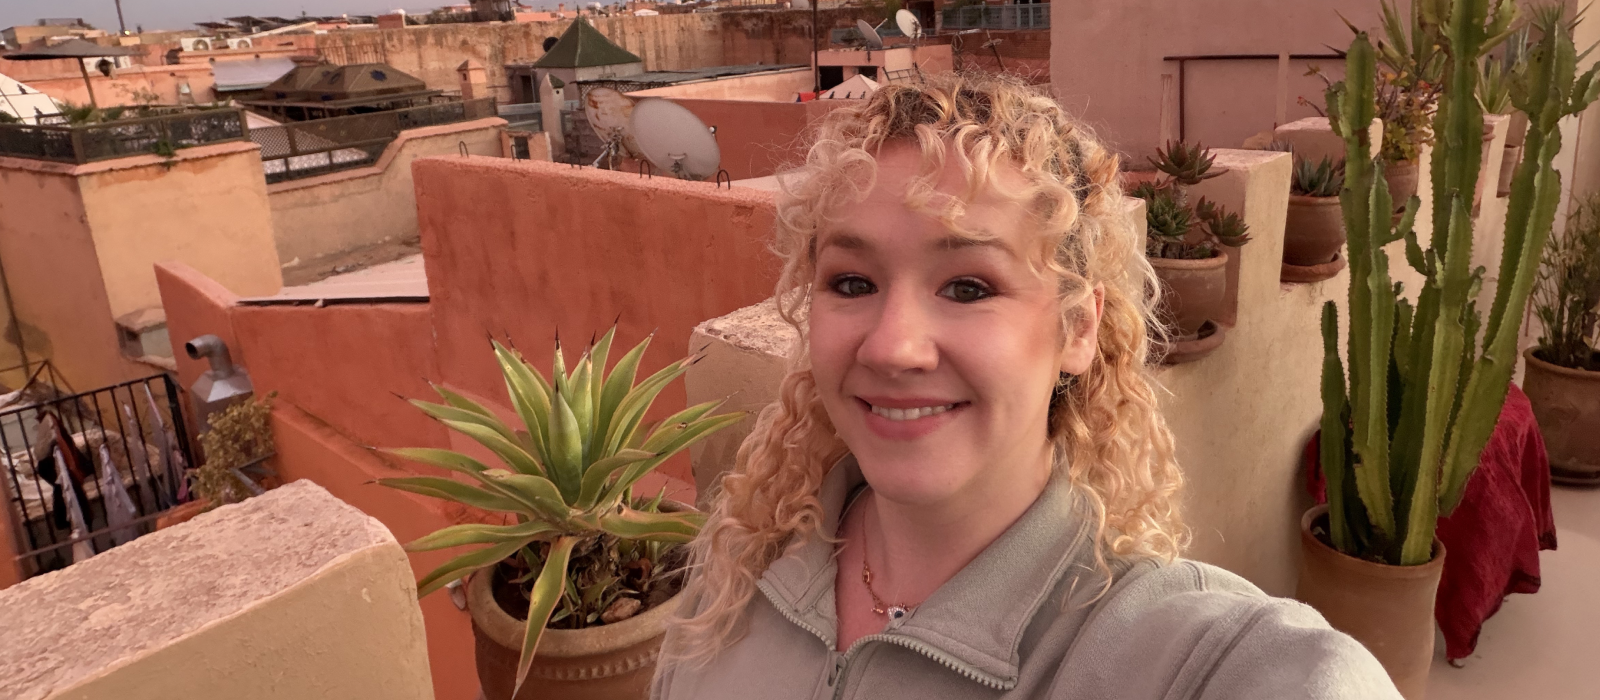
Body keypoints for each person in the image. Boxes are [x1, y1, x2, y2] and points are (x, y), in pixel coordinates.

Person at [651, 74, 1399, 700]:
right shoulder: (731, 583)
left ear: (1077, 328)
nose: (892, 346)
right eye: (852, 281)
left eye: (970, 287)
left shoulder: (1178, 659)